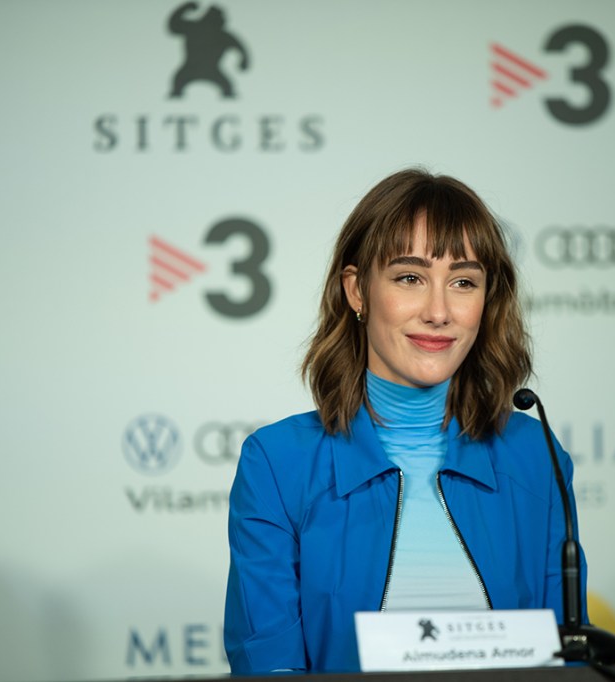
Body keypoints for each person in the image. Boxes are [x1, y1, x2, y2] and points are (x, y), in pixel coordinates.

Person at [224, 168, 587, 674]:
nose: (439, 312)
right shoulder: (278, 463)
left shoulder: (535, 455)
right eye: (410, 278)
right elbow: (269, 666)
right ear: (357, 290)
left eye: (463, 282)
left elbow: (567, 663)